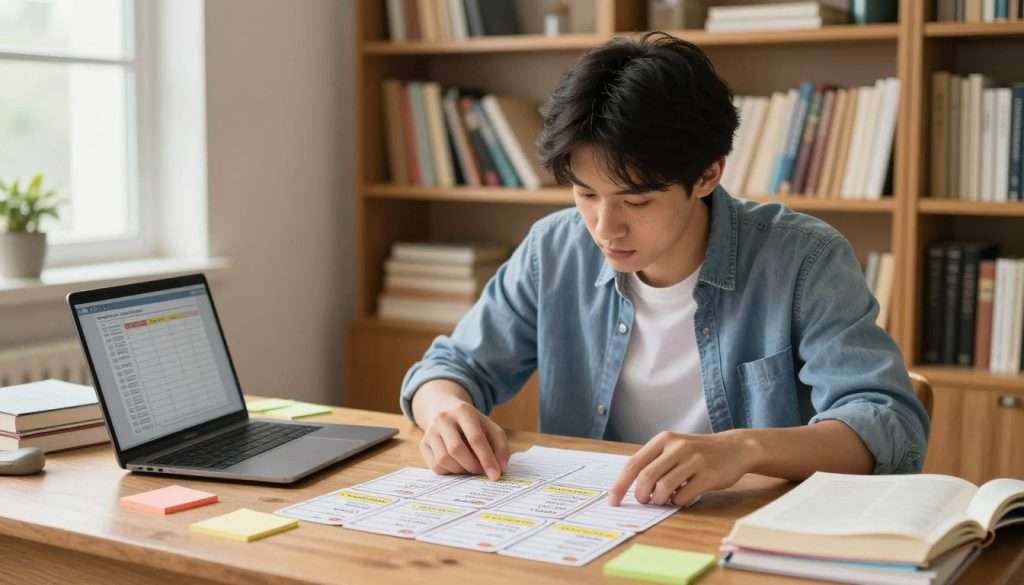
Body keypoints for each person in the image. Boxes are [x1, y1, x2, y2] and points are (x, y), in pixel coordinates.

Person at [399, 32, 929, 508]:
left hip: (748, 534)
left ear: (707, 174)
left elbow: (888, 425)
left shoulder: (803, 260)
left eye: (637, 201)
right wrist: (444, 410)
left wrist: (742, 450)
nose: (606, 228)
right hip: (592, 525)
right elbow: (449, 368)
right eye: (586, 194)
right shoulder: (554, 248)